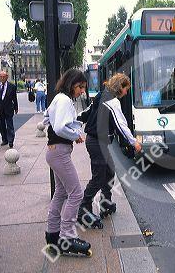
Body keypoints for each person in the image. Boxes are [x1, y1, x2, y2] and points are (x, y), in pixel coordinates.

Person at [77, 73, 142, 227]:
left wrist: (76, 119)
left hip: (98, 142)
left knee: (109, 172)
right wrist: (134, 142)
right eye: (126, 89)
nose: (126, 93)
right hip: (97, 142)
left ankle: (105, 203)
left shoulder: (102, 94)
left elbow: (87, 112)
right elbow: (121, 125)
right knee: (98, 178)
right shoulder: (113, 101)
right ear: (120, 87)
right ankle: (83, 211)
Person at [43, 69, 92, 257]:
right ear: (72, 83)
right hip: (60, 152)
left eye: (83, 88)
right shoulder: (64, 100)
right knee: (76, 193)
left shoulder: (59, 98)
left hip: (54, 151)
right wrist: (76, 134)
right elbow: (60, 126)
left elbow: (46, 118)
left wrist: (71, 130)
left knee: (60, 193)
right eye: (80, 87)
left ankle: (53, 235)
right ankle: (67, 237)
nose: (82, 91)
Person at [0, 71, 18, 148]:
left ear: (7, 77)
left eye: (3, 76)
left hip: (8, 109)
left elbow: (14, 98)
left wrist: (16, 107)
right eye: (0, 76)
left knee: (9, 125)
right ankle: (4, 140)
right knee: (1, 125)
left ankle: (11, 140)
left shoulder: (12, 86)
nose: (2, 78)